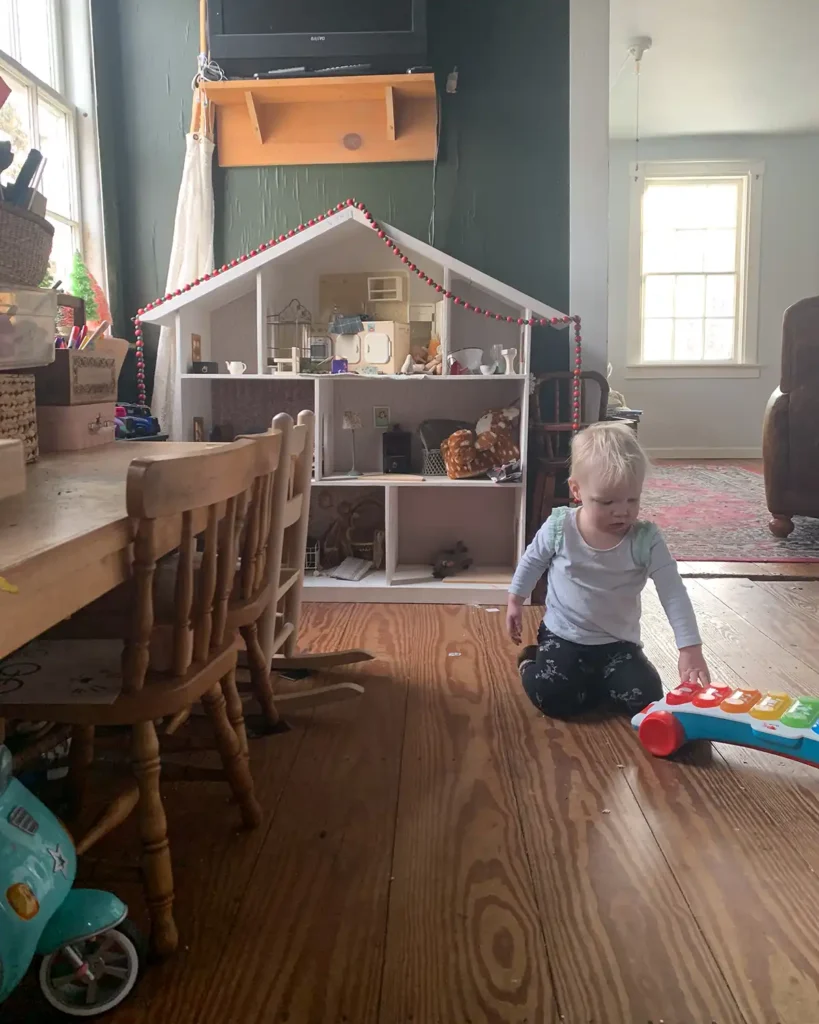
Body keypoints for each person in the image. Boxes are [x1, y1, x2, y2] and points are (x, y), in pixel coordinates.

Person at [507, 421, 709, 719]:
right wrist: (515, 599)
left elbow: (673, 592)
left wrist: (689, 647)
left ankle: (595, 681)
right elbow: (532, 560)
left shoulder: (646, 539)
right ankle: (530, 661)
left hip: (618, 646)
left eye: (632, 499)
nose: (622, 511)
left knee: (647, 697)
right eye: (607, 501)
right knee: (553, 698)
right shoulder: (560, 527)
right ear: (576, 489)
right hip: (564, 636)